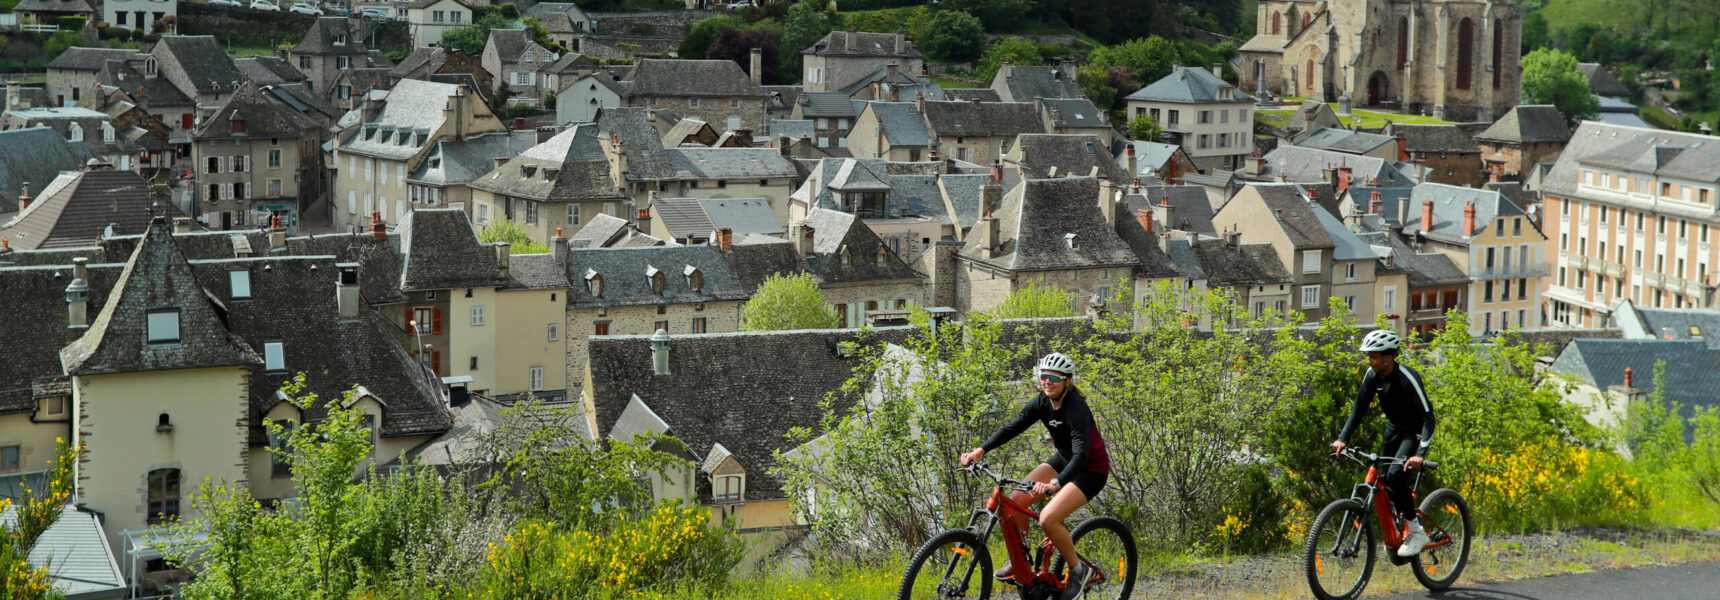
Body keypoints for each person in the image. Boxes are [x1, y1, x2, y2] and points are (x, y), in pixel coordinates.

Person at [959, 353, 1110, 600]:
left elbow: (1082, 454)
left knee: (1048, 519)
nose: (1047, 382)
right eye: (1043, 377)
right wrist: (980, 450)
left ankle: (1078, 570)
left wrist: (1056, 484)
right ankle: (1022, 561)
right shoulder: (1042, 401)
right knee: (1016, 500)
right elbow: (1013, 427)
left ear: (1067, 382)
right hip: (1063, 460)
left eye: (1053, 378)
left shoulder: (1077, 409)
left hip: (1090, 469)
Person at [1331, 329, 1437, 557]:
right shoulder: (1372, 375)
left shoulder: (1408, 378)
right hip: (1393, 430)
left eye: (1373, 356)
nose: (1369, 360)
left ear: (1388, 357)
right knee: (1384, 483)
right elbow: (1358, 409)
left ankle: (1416, 529)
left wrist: (1420, 453)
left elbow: (1429, 418)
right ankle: (1399, 529)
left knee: (1396, 475)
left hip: (1413, 431)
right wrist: (1342, 438)